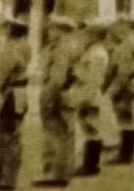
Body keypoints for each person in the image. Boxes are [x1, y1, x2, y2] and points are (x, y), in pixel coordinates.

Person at [32, 14, 81, 188]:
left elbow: (57, 78)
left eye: (53, 28)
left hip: (57, 95)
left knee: (55, 133)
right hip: (66, 94)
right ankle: (65, 170)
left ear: (62, 30)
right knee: (66, 133)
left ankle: (55, 172)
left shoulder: (62, 48)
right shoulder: (68, 45)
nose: (50, 31)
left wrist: (48, 98)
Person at [0, 16, 30, 190]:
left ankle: (6, 178)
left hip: (10, 96)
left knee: (6, 136)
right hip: (20, 94)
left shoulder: (9, 50)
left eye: (5, 28)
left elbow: (0, 77)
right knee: (14, 135)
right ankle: (8, 176)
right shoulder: (24, 46)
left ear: (10, 30)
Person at [70, 19, 109, 177]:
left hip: (89, 93)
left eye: (89, 33)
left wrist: (85, 98)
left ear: (95, 35)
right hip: (86, 91)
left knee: (91, 129)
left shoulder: (97, 54)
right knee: (88, 128)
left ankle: (91, 165)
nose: (85, 36)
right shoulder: (92, 51)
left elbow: (92, 79)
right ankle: (89, 163)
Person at [106, 17, 134, 165]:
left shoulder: (130, 41)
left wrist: (120, 87)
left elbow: (127, 68)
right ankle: (125, 151)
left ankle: (126, 153)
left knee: (126, 118)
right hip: (127, 81)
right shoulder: (128, 41)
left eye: (121, 25)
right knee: (124, 119)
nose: (117, 27)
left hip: (128, 82)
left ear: (128, 26)